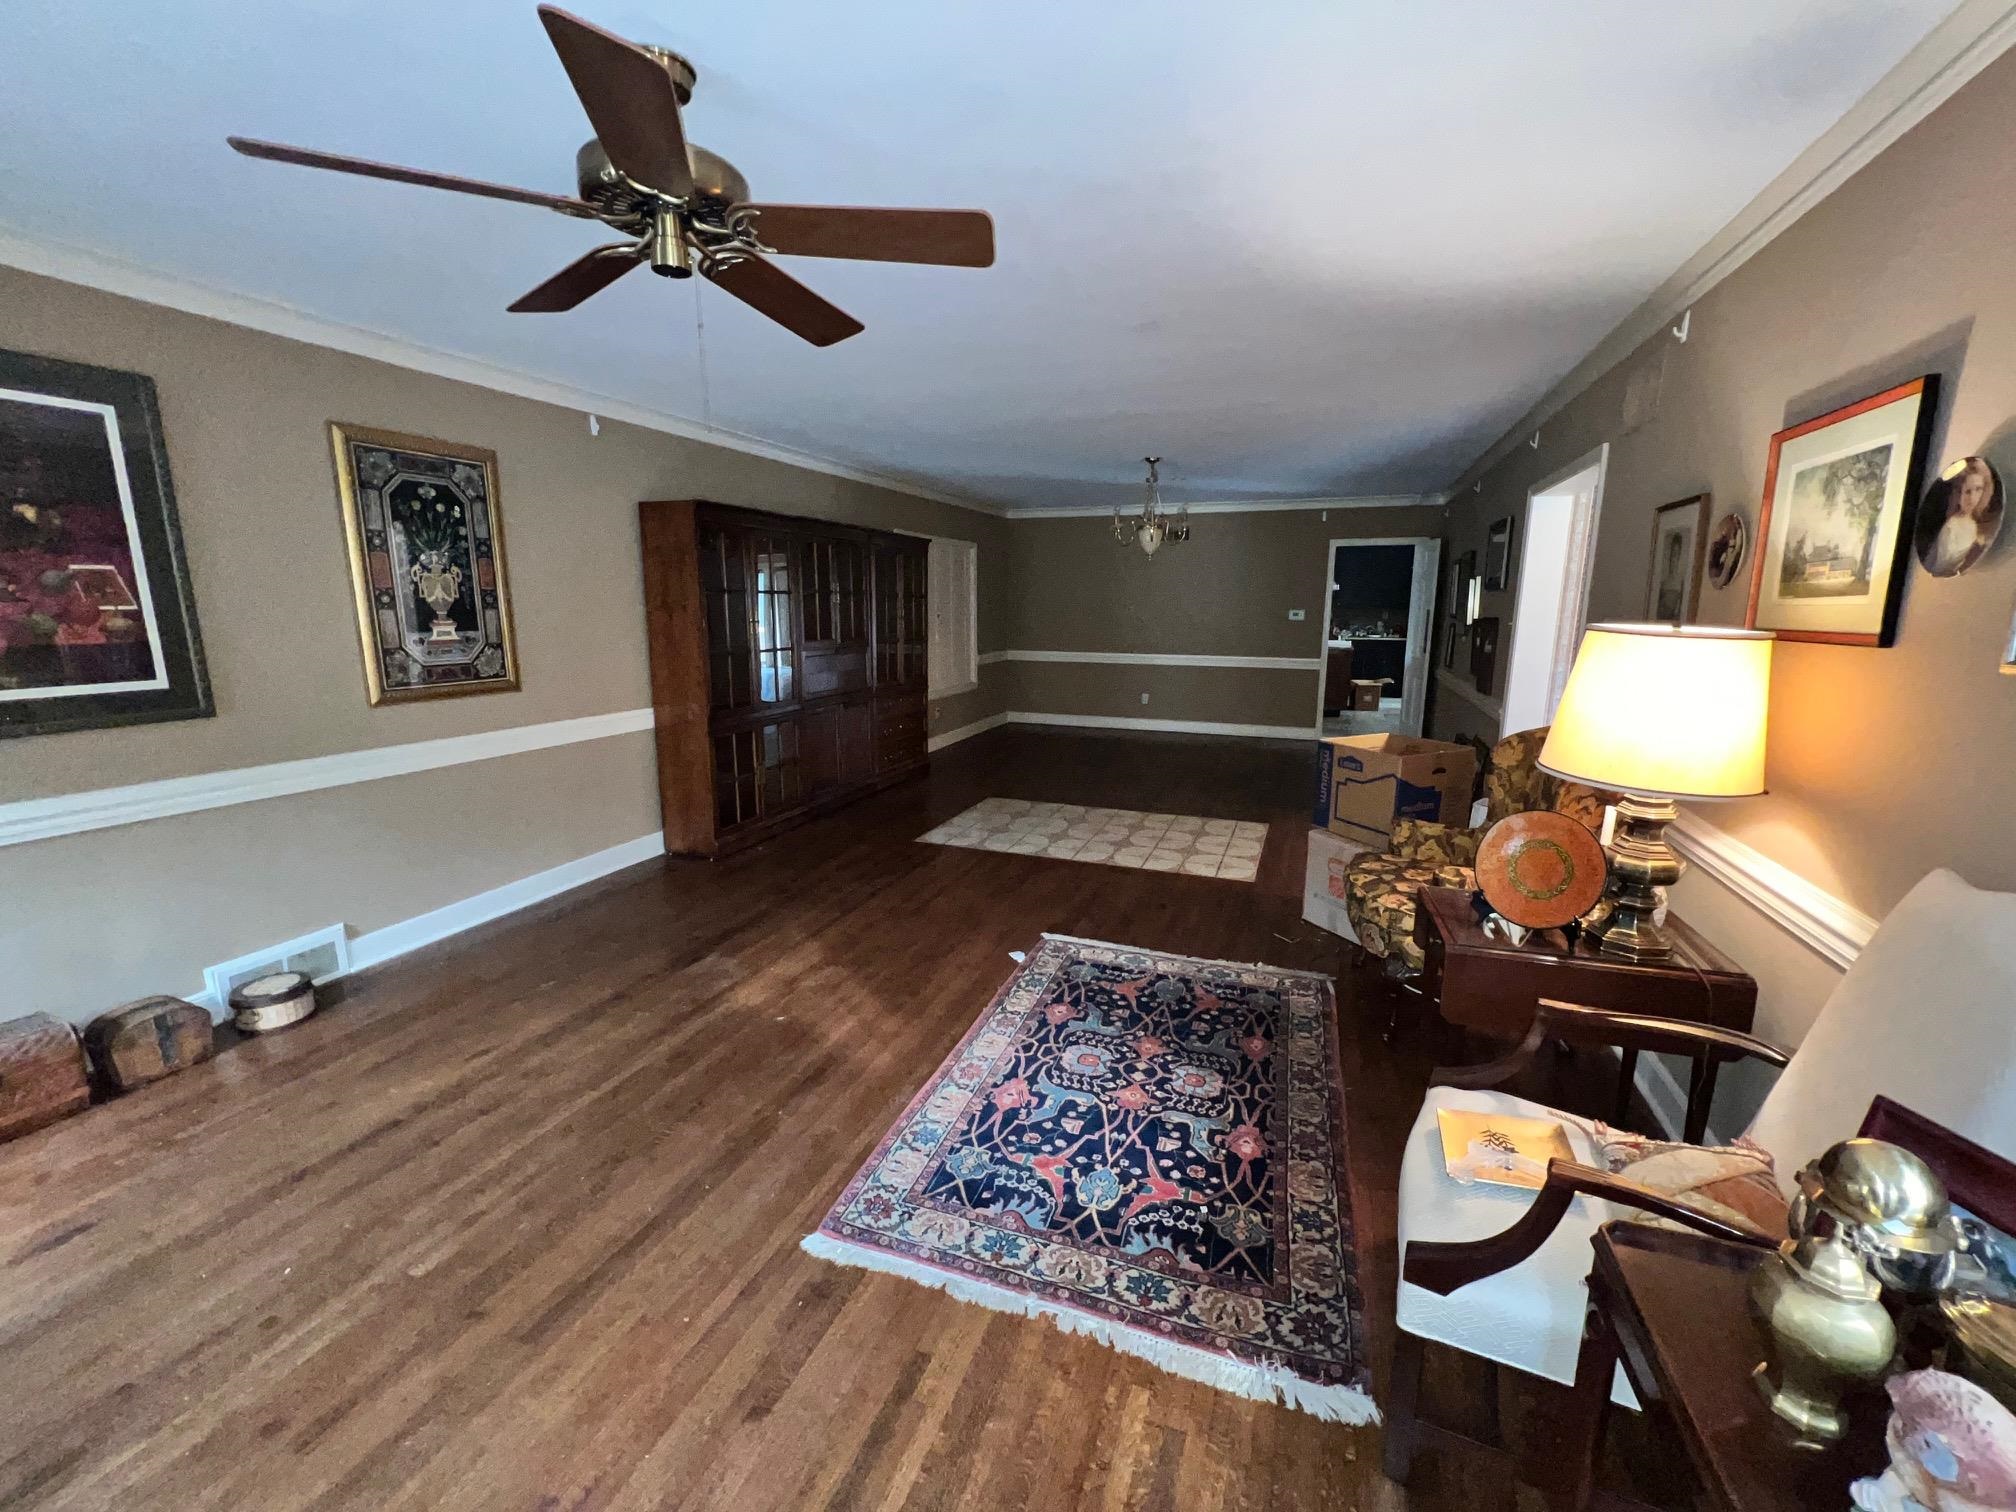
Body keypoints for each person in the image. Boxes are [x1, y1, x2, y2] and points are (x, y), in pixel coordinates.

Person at [1922, 457, 2000, 576]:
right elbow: (1942, 566)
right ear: (1958, 494)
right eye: (1967, 491)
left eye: (1978, 489)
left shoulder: (1975, 523)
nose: (1972, 498)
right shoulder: (1951, 526)